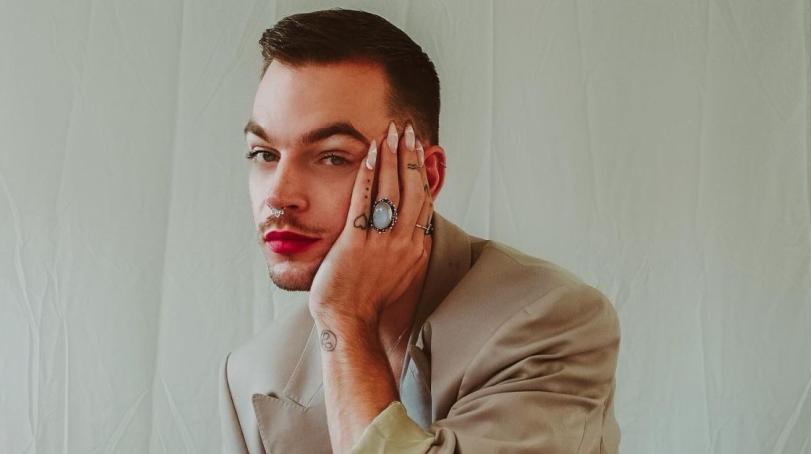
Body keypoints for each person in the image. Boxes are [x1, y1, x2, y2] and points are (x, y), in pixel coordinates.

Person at [219, 8, 620, 454]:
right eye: (264, 154)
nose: (279, 195)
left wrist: (345, 321)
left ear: (424, 176)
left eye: (332, 157)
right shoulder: (253, 375)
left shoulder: (552, 321)